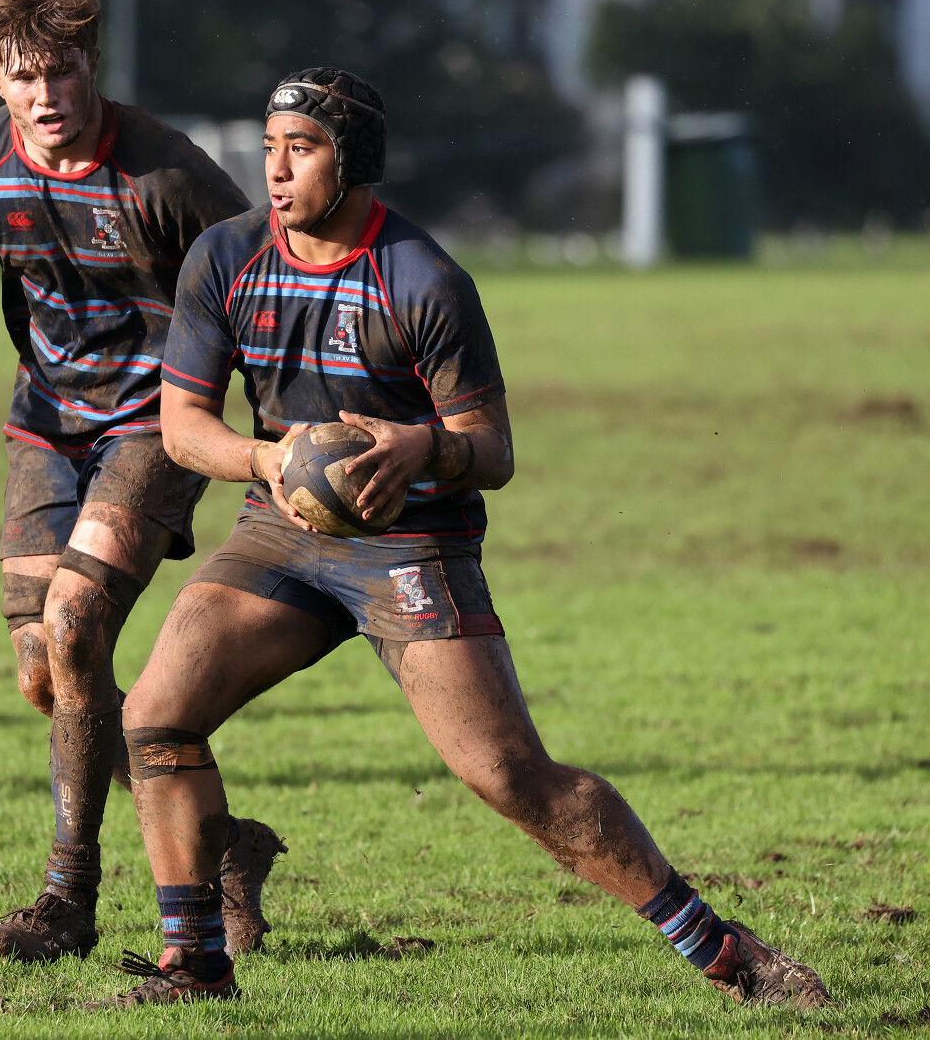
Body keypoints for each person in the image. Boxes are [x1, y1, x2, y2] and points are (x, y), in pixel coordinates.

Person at [89, 68, 835, 1009]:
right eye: (270, 148)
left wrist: (422, 445)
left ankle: (729, 951)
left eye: (301, 149)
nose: (275, 170)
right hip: (280, 530)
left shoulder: (424, 279)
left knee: (510, 775)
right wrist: (264, 459)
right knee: (155, 718)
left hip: (413, 544)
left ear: (352, 160)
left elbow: (494, 450)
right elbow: (183, 427)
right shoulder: (226, 257)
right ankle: (195, 966)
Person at [0, 0, 284, 963]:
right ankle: (223, 845)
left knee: (75, 624)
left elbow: (264, 281)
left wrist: (275, 437)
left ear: (91, 66)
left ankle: (67, 897)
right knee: (47, 671)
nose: (45, 94)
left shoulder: (165, 170)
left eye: (61, 71)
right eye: (23, 76)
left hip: (157, 422)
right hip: (45, 425)